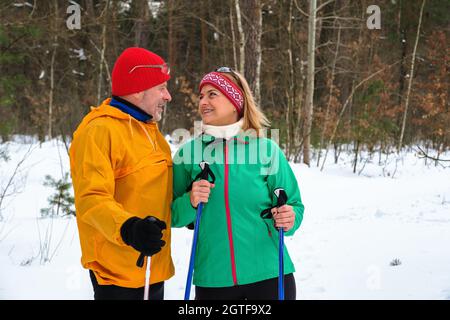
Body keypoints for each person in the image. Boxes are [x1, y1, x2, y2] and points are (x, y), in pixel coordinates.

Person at [171, 67, 305, 300]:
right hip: (213, 279)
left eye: (213, 94)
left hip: (270, 275)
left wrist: (289, 217)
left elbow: (295, 205)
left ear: (235, 102)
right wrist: (190, 202)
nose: (203, 101)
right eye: (201, 95)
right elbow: (170, 214)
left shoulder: (266, 150)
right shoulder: (189, 154)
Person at [69, 47, 174, 300]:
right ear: (138, 89)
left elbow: (158, 188)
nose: (168, 96)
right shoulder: (99, 131)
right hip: (117, 276)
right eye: (161, 88)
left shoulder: (151, 132)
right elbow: (91, 199)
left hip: (152, 269)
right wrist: (129, 228)